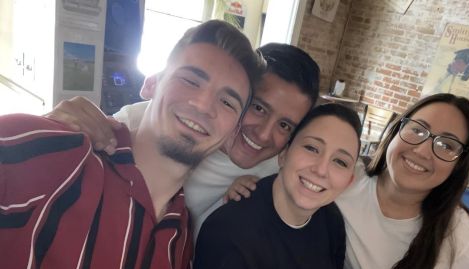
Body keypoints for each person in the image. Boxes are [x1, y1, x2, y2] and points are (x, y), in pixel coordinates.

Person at [0, 20, 264, 269]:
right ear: (151, 83)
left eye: (227, 102)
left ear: (234, 131)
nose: (203, 105)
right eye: (190, 80)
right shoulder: (51, 153)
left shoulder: (180, 238)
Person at [47, 42, 320, 238]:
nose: (263, 134)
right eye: (258, 108)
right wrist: (57, 124)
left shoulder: (282, 164)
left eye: (284, 125)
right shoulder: (151, 125)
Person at [189, 104, 362, 269]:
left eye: (340, 162)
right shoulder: (228, 233)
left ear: (349, 181)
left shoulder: (331, 219)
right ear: (283, 154)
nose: (321, 170)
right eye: (312, 148)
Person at [332, 93, 469, 269]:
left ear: (459, 164)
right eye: (417, 129)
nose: (422, 151)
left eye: (447, 145)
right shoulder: (344, 175)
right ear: (396, 130)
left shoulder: (462, 238)